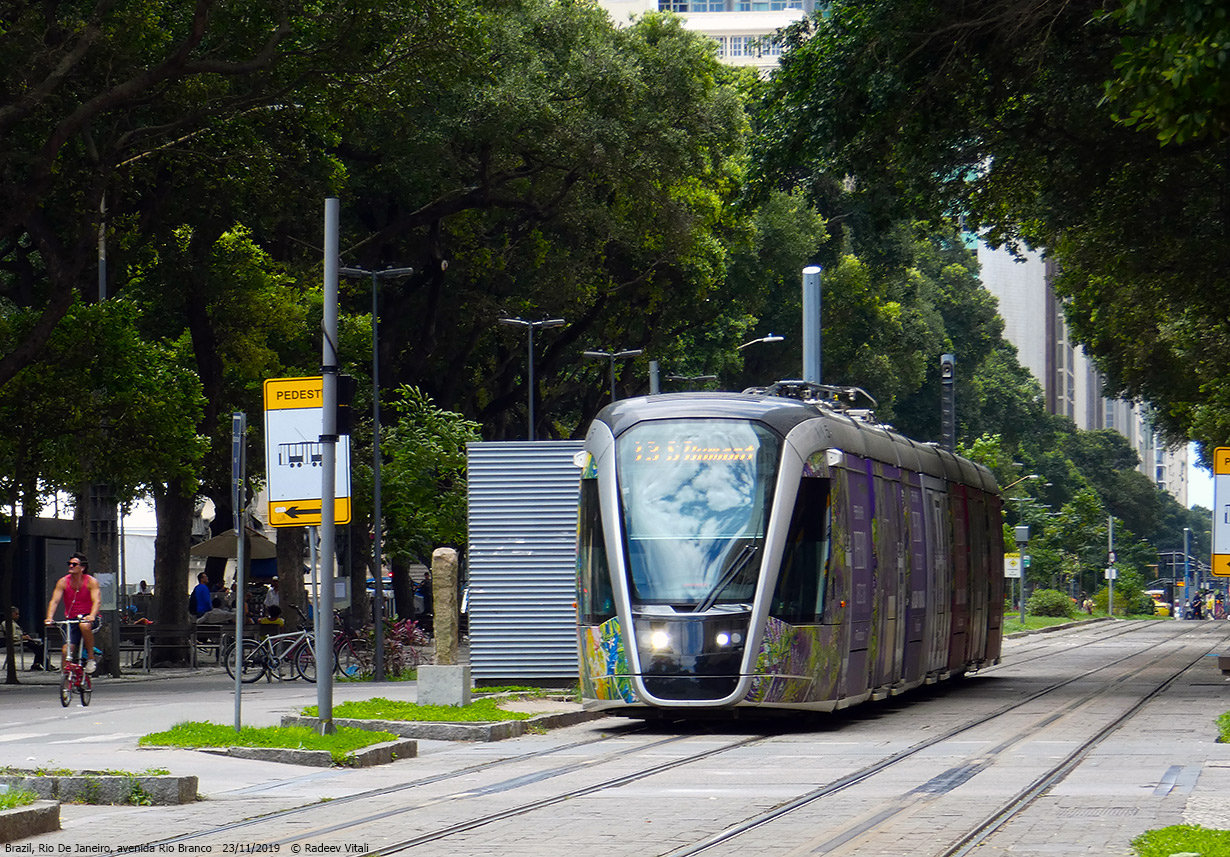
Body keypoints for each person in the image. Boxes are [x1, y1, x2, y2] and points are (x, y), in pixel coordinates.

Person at [45, 552, 101, 674]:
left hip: (89, 617)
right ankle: (66, 684)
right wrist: (49, 617)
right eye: (69, 564)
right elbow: (54, 601)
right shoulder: (63, 582)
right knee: (66, 651)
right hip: (71, 619)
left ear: (82, 567)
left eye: (74, 564)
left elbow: (96, 601)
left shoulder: (91, 581)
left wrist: (91, 615)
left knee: (84, 625)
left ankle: (91, 657)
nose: (70, 566)